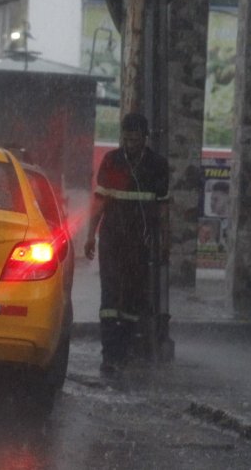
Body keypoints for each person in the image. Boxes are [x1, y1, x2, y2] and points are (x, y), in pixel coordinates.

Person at [85, 112, 171, 377]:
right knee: (110, 297)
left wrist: (165, 242)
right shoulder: (112, 161)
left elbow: (164, 209)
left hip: (140, 243)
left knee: (133, 298)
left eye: (136, 137)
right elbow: (99, 203)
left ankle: (125, 350)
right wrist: (90, 235)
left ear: (145, 137)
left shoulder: (157, 165)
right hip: (112, 240)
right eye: (127, 137)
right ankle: (110, 355)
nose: (131, 142)